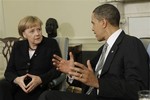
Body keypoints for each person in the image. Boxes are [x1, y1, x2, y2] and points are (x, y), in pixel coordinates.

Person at [38, 3, 149, 100]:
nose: (92, 28)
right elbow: (88, 80)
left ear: (103, 23)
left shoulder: (131, 43)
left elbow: (138, 88)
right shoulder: (103, 49)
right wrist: (72, 72)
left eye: (93, 23)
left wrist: (98, 83)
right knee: (47, 95)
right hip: (91, 96)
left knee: (47, 97)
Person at [0, 16, 61, 100]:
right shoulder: (18, 46)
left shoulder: (51, 44)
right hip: (17, 85)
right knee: (2, 85)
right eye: (32, 31)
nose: (37, 33)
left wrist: (40, 79)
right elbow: (9, 72)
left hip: (38, 86)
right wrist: (17, 80)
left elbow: (57, 69)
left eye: (39, 29)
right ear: (24, 34)